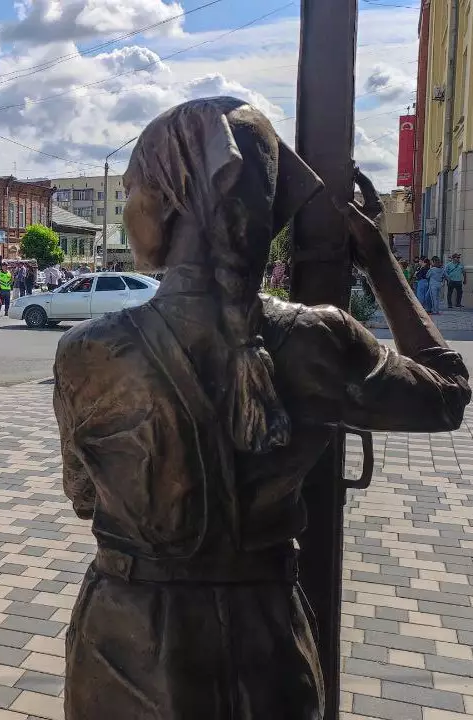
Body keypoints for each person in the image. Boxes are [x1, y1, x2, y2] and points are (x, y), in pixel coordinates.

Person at [53, 97, 470, 720]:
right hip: (265, 643)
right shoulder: (318, 338)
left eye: (136, 190)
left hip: (126, 646)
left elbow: (85, 496)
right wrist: (380, 260)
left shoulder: (88, 352)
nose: (130, 212)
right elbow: (447, 394)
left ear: (169, 201)